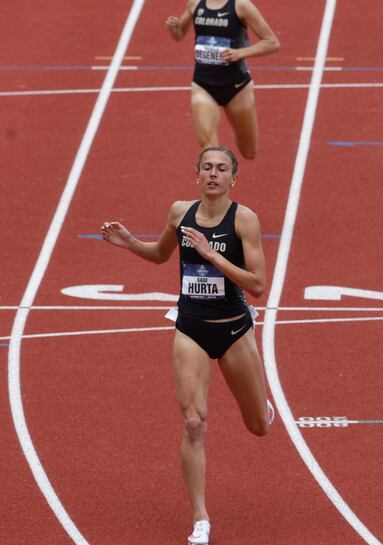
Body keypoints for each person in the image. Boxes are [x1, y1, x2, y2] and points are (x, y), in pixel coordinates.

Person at [101, 147, 274, 545]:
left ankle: (262, 405)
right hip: (190, 327)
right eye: (207, 168)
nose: (214, 174)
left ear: (234, 178)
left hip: (234, 330)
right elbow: (161, 255)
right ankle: (200, 519)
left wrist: (211, 254)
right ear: (196, 174)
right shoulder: (180, 212)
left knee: (258, 428)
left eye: (222, 169)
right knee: (194, 423)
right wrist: (130, 243)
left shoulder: (243, 219)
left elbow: (258, 285)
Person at [165, 0, 280, 160]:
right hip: (203, 85)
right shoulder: (195, 3)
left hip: (237, 86)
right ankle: (221, 180)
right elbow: (179, 34)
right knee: (209, 149)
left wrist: (241, 53)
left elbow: (272, 42)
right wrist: (174, 27)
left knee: (249, 151)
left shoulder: (241, 5)